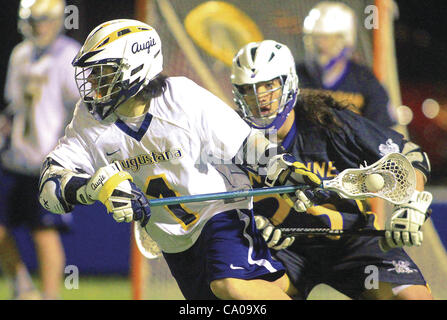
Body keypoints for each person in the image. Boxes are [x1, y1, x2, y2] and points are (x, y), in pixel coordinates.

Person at [36, 19, 325, 300]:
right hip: (171, 238)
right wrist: (95, 189)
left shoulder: (181, 98)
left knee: (230, 287)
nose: (92, 82)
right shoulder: (88, 118)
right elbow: (49, 188)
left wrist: (282, 169)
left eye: (104, 72)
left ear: (136, 68)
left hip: (219, 208)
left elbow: (245, 143)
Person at [230, 39, 434, 300]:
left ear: (289, 83)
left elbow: (410, 155)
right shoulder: (231, 138)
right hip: (284, 252)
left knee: (413, 298)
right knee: (242, 292)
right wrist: (248, 223)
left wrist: (412, 203)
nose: (260, 98)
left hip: (353, 242)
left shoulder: (327, 122)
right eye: (249, 89)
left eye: (269, 85)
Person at [0, 0, 80, 300]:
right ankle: (22, 287)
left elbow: (81, 108)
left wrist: (69, 151)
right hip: (15, 158)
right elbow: (13, 107)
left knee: (44, 232)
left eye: (45, 20)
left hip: (49, 161)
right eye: (34, 20)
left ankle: (50, 295)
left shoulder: (68, 54)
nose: (39, 26)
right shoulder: (20, 54)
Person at [297, 1, 396, 128]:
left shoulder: (364, 79)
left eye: (327, 38)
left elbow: (381, 131)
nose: (320, 44)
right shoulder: (296, 75)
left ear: (345, 39)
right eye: (315, 37)